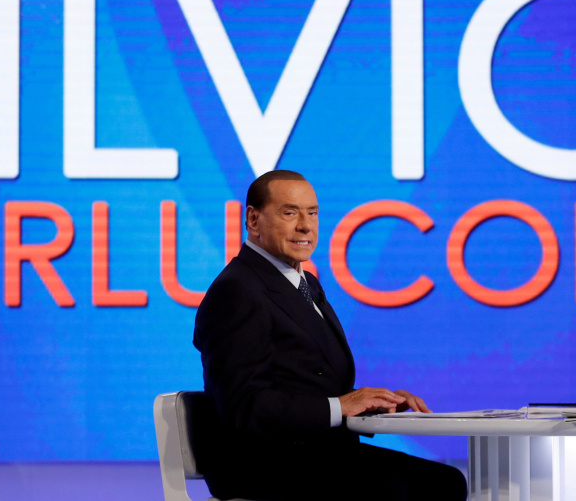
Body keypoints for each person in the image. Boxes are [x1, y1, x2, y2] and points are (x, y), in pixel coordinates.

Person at [193, 170, 468, 501]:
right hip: (266, 465)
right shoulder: (238, 291)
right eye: (290, 213)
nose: (306, 226)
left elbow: (304, 383)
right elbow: (244, 406)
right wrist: (340, 406)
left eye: (312, 213)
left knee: (445, 480)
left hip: (316, 453)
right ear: (253, 220)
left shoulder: (303, 283)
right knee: (434, 486)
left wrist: (372, 403)